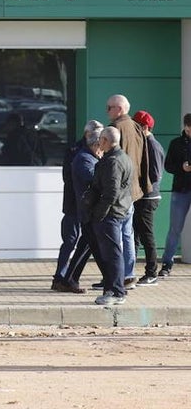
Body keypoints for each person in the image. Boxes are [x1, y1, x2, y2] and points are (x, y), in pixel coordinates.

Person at [57, 121, 105, 294]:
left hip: (86, 207)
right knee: (71, 241)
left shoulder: (95, 154)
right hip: (74, 204)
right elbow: (70, 179)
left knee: (87, 242)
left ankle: (69, 278)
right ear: (88, 135)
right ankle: (61, 277)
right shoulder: (77, 153)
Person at [90, 126, 134, 306]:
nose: (98, 142)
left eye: (100, 139)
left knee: (113, 254)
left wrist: (99, 214)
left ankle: (116, 292)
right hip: (119, 210)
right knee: (112, 253)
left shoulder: (112, 162)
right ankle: (112, 288)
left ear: (106, 141)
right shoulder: (122, 157)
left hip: (111, 213)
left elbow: (111, 192)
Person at [106, 94, 145, 288]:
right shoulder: (136, 127)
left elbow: (113, 162)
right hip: (133, 189)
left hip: (120, 191)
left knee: (117, 235)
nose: (107, 111)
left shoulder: (116, 129)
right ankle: (129, 274)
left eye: (109, 107)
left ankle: (118, 276)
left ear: (119, 109)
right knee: (127, 234)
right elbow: (144, 158)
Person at [131, 110, 164, 285]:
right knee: (134, 235)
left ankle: (152, 273)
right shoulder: (143, 143)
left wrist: (139, 185)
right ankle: (129, 272)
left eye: (136, 126)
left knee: (146, 235)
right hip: (141, 196)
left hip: (148, 198)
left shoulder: (152, 145)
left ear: (144, 127)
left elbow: (156, 174)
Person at [160, 112, 191, 278]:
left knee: (175, 229)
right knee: (175, 228)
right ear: (185, 127)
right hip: (181, 190)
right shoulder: (176, 143)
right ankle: (167, 263)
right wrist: (182, 167)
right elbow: (168, 166)